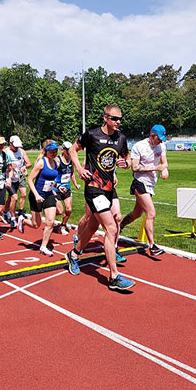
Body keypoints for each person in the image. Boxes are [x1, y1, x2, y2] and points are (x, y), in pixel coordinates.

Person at [65, 104, 136, 290]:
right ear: (105, 118)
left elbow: (127, 159)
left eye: (120, 119)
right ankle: (114, 277)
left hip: (110, 188)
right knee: (111, 228)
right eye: (115, 119)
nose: (118, 122)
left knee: (93, 226)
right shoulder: (92, 135)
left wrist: (125, 163)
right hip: (94, 188)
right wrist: (80, 169)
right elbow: (73, 150)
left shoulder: (121, 138)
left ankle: (74, 254)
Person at [120, 124, 169, 256]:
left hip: (151, 184)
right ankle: (152, 245)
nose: (160, 142)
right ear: (152, 135)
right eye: (159, 139)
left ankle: (120, 226)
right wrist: (156, 168)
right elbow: (135, 168)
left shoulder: (162, 146)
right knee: (151, 213)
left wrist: (165, 170)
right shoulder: (139, 146)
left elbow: (164, 163)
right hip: (139, 183)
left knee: (136, 214)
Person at [17, 140, 60, 256]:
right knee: (36, 225)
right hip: (37, 195)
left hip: (49, 194)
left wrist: (58, 186)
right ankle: (23, 220)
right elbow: (30, 180)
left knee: (50, 221)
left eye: (55, 151)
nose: (54, 153)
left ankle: (43, 246)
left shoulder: (56, 163)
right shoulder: (41, 163)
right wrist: (36, 195)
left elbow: (52, 179)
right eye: (51, 151)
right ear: (46, 151)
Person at [4, 135, 32, 227]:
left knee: (23, 194)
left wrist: (24, 167)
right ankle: (12, 218)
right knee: (14, 198)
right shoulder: (6, 152)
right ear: (10, 143)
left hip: (19, 176)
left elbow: (29, 163)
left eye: (18, 146)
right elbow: (1, 166)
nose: (16, 148)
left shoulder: (21, 151)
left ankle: (19, 212)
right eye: (15, 146)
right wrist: (10, 166)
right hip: (9, 178)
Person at [54, 141, 81, 235]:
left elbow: (72, 173)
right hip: (56, 189)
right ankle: (50, 219)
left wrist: (76, 184)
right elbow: (51, 175)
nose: (69, 152)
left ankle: (63, 226)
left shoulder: (71, 160)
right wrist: (57, 185)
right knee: (59, 211)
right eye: (67, 151)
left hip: (67, 188)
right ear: (63, 150)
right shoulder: (57, 161)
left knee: (69, 209)